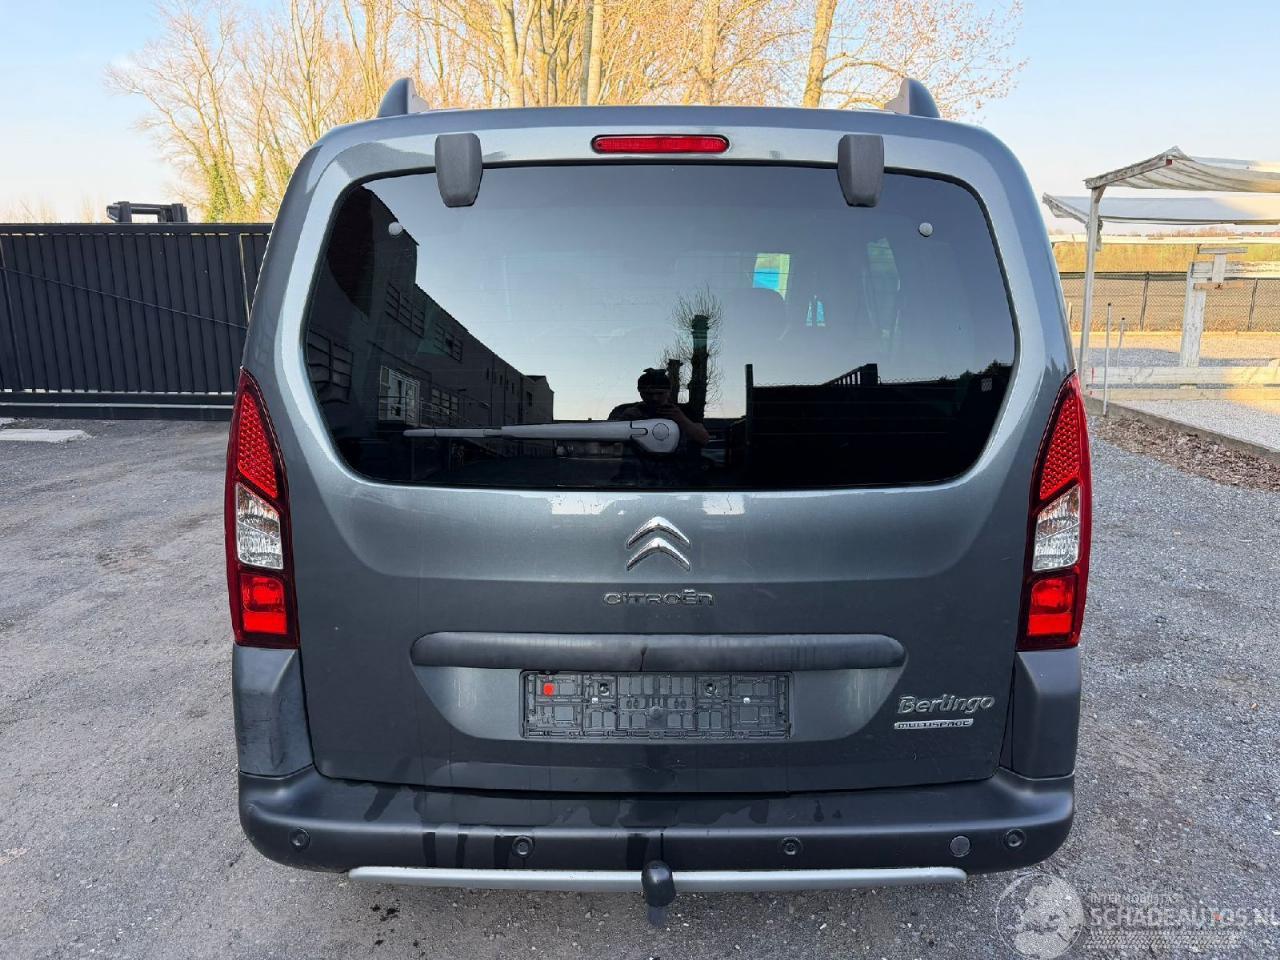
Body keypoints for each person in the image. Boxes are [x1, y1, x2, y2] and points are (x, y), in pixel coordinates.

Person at [608, 368, 711, 447]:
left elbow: (704, 439)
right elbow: (605, 441)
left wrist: (682, 420)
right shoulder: (623, 410)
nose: (655, 398)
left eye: (660, 393)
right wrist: (623, 422)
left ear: (669, 391)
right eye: (648, 394)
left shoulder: (684, 411)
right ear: (640, 392)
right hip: (634, 465)